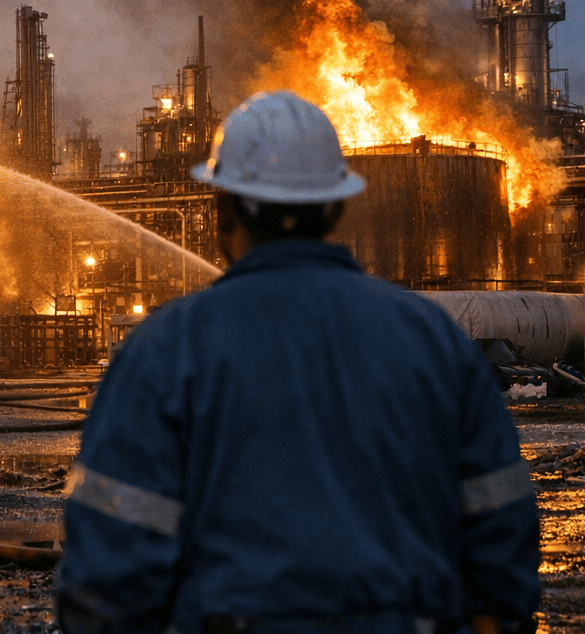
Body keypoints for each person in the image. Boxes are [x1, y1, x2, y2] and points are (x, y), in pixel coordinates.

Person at [57, 92, 540, 634]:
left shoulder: (167, 349)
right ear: (336, 207)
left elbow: (109, 561)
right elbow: (503, 527)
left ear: (223, 211)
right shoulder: (432, 340)